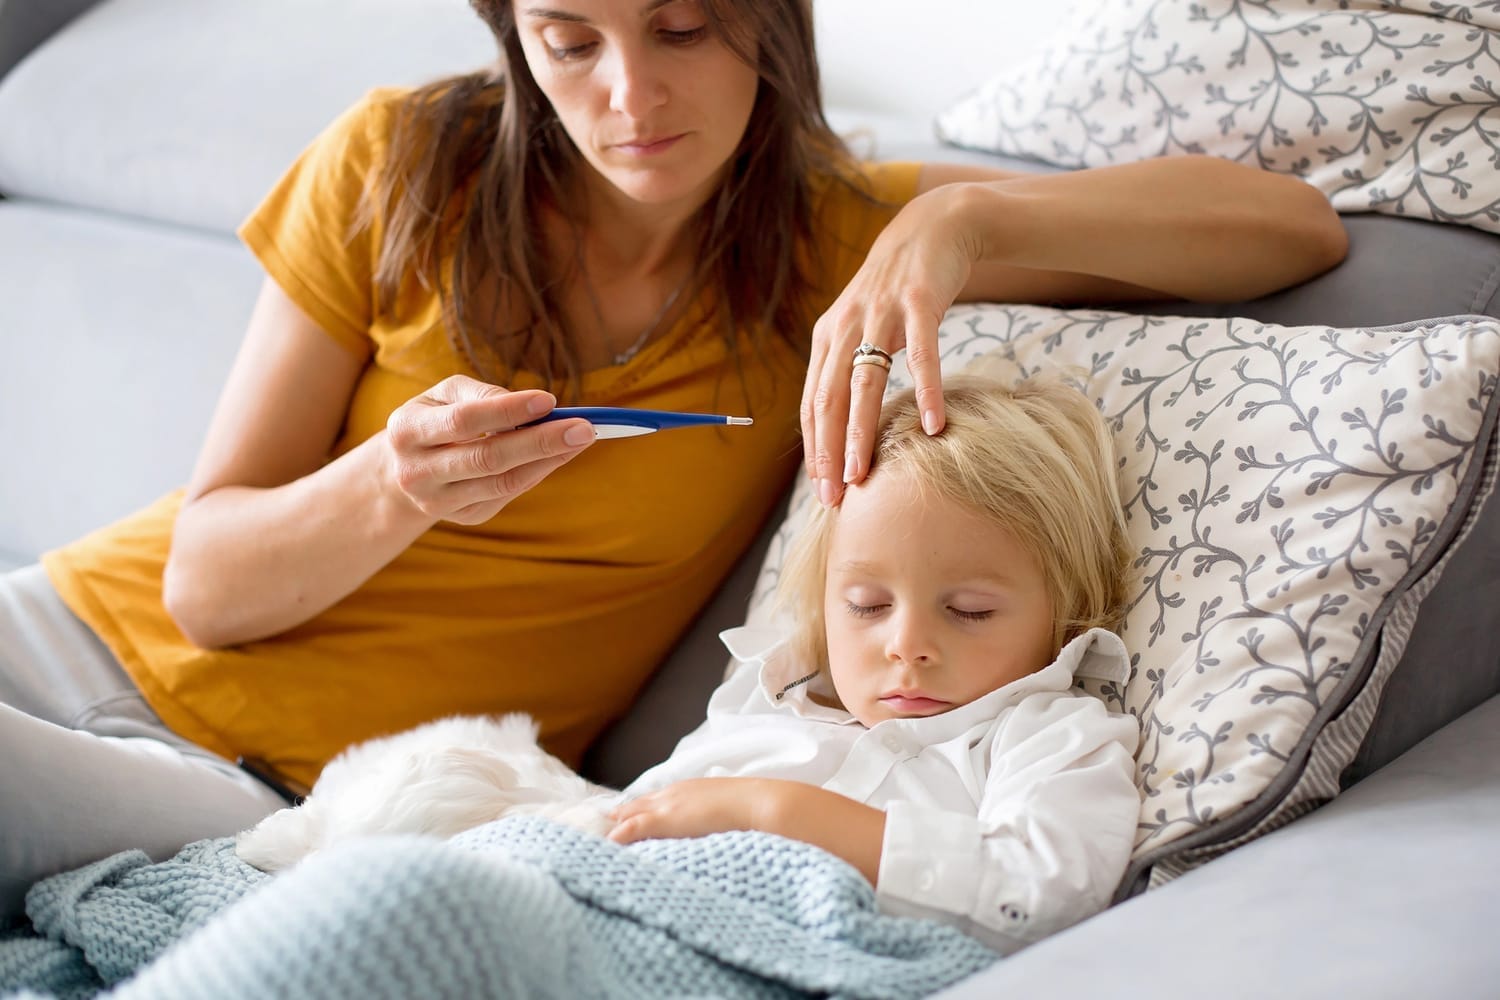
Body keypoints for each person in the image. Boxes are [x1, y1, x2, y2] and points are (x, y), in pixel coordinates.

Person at [0, 0, 1346, 922]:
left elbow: (1290, 230)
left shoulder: (828, 243)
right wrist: (395, 487)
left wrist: (968, 226)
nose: (626, 97)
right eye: (567, 41)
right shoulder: (400, 163)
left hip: (301, 800)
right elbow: (205, 588)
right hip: (71, 637)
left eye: (683, 27)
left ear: (768, 21)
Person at [608, 372, 1140, 946]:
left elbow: (1046, 892)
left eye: (970, 610)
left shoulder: (1047, 736)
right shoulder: (763, 699)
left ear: (1065, 614)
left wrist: (777, 812)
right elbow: (627, 823)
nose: (906, 644)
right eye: (868, 605)